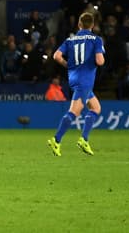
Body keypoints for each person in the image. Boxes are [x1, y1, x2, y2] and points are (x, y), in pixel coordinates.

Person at [48, 11, 106, 157]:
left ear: (79, 25)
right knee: (74, 111)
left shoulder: (70, 40)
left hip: (74, 78)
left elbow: (56, 56)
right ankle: (56, 139)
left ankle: (84, 139)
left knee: (96, 107)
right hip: (85, 80)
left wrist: (67, 64)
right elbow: (99, 61)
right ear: (92, 25)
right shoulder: (96, 39)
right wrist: (101, 59)